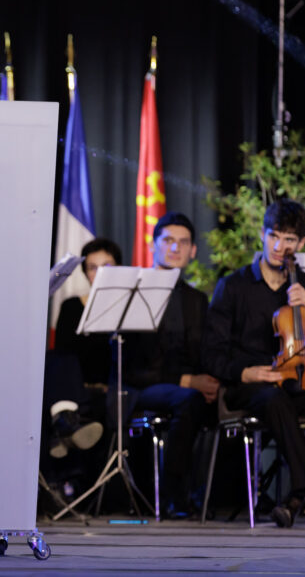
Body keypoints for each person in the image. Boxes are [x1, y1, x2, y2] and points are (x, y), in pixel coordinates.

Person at [201, 199, 305, 529]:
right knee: (273, 398)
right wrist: (245, 372)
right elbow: (211, 353)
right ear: (262, 234)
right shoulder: (234, 286)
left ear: (300, 244)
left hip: (299, 380)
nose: (278, 246)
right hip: (250, 384)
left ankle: (295, 498)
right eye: (273, 235)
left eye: (288, 239)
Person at [111, 212, 213, 519]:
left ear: (193, 250)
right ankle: (172, 495)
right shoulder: (135, 292)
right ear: (153, 244)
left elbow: (204, 353)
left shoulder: (197, 299)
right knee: (191, 400)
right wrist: (187, 381)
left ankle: (209, 495)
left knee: (226, 399)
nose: (175, 248)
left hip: (186, 388)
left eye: (183, 243)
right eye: (168, 241)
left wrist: (211, 379)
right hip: (141, 387)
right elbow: (132, 367)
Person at [44, 237, 120, 461]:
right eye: (92, 268)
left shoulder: (127, 309)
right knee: (55, 358)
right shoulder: (71, 306)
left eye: (106, 266)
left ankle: (65, 425)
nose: (99, 273)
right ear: (85, 273)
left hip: (107, 386)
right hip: (75, 386)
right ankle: (67, 420)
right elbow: (63, 353)